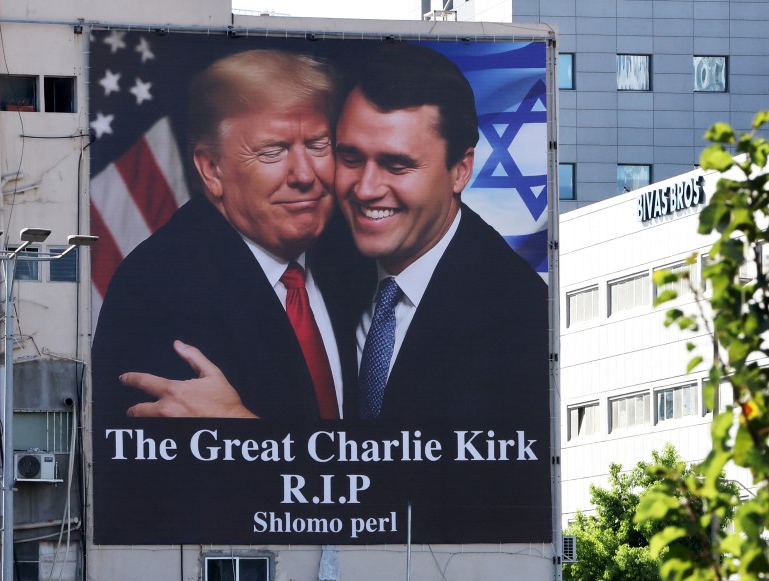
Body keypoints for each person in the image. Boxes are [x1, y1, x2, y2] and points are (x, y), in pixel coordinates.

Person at [91, 49, 365, 423]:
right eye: (273, 151)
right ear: (211, 169)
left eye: (318, 145)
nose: (305, 174)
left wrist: (242, 426)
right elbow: (170, 472)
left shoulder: (355, 263)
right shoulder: (159, 287)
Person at [333, 42, 549, 424]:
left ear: (460, 171)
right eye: (350, 158)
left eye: (396, 166)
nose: (365, 189)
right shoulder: (321, 267)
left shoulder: (519, 317)